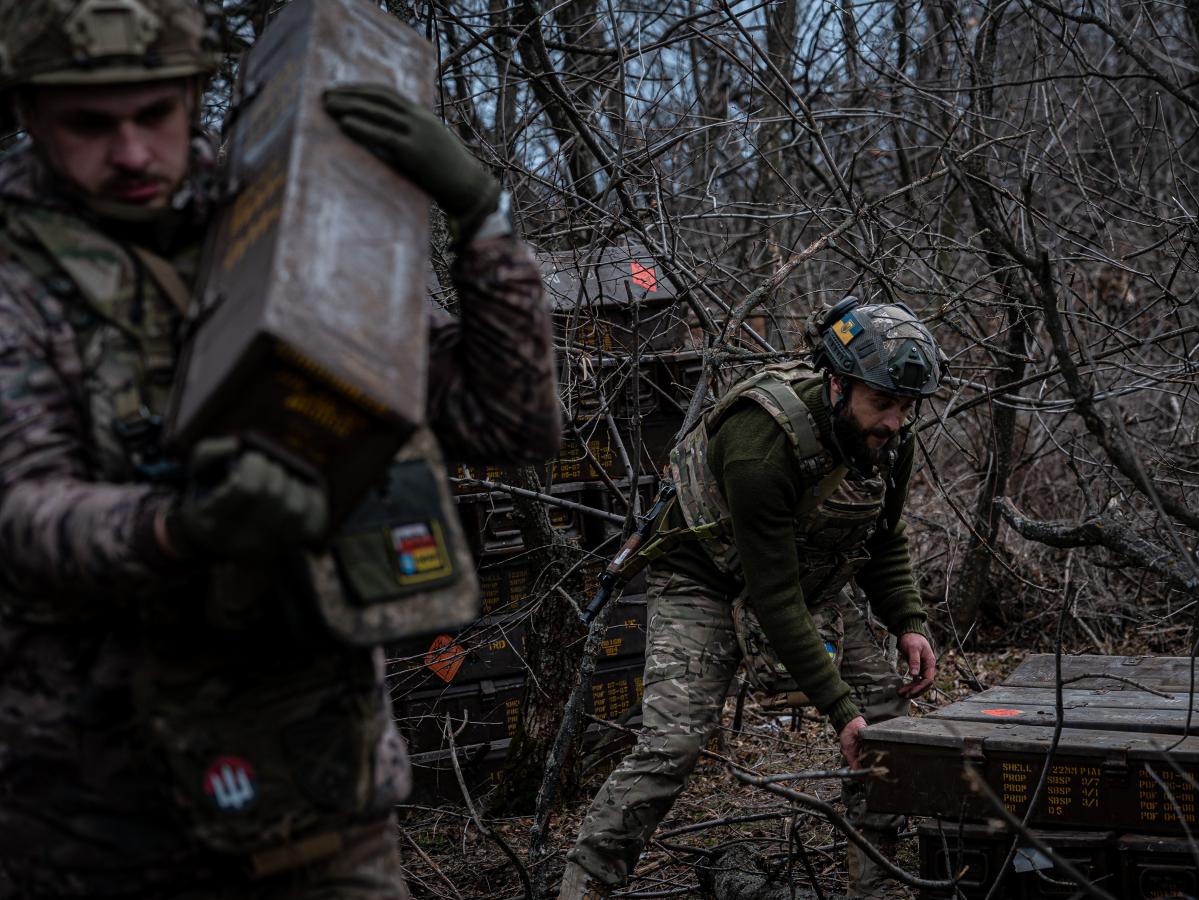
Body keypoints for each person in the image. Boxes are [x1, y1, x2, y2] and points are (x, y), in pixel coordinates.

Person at [0, 1, 560, 896]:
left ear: (194, 93)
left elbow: (505, 422)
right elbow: (24, 514)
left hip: (319, 791)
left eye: (156, 114)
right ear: (28, 113)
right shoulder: (17, 273)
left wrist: (483, 223)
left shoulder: (280, 205)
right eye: (90, 125)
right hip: (97, 819)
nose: (134, 153)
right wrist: (182, 528)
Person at [561, 297, 944, 900]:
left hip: (806, 573)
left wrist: (908, 622)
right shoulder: (761, 443)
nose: (896, 421)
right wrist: (840, 710)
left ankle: (875, 887)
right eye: (883, 404)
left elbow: (883, 536)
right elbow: (773, 597)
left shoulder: (889, 437)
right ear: (839, 385)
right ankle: (584, 887)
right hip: (703, 578)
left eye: (906, 406)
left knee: (887, 725)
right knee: (672, 746)